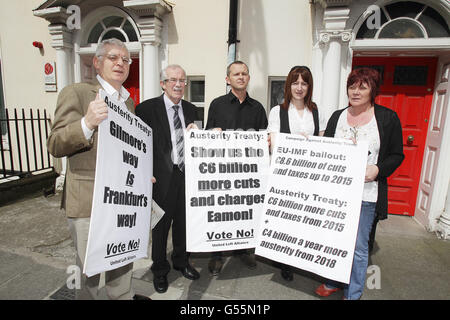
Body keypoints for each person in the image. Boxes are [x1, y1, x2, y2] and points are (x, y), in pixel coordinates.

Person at [47, 38, 150, 300]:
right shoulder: (77, 93)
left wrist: (139, 175)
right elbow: (55, 143)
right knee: (89, 274)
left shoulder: (128, 104)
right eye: (113, 57)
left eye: (126, 59)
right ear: (97, 62)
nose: (120, 63)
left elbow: (125, 153)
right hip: (87, 203)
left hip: (121, 202)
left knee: (122, 264)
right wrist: (86, 123)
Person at [315, 67, 404, 300]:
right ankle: (333, 280)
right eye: (352, 86)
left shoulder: (387, 118)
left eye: (362, 87)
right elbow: (326, 149)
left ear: (373, 90)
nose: (355, 92)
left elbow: (397, 154)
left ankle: (353, 292)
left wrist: (378, 169)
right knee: (333, 240)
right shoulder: (337, 116)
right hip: (336, 193)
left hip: (366, 194)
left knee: (358, 247)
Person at [135, 64, 201, 294]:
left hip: (187, 177)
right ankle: (160, 271)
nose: (178, 84)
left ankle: (182, 262)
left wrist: (198, 135)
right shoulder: (145, 109)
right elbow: (138, 145)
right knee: (161, 227)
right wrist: (143, 174)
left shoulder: (192, 110)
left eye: (182, 80)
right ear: (162, 84)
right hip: (160, 178)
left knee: (184, 223)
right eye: (173, 80)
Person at [205, 60, 268, 276]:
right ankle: (216, 255)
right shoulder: (217, 104)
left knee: (246, 211)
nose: (241, 77)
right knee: (221, 213)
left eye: (244, 74)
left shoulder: (258, 108)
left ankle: (244, 249)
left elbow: (264, 141)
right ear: (227, 79)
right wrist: (214, 132)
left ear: (248, 78)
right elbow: (207, 136)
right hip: (222, 171)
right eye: (236, 74)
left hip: (247, 173)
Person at [267, 65, 326, 281]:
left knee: (303, 217)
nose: (299, 87)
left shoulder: (317, 111)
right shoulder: (278, 111)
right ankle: (284, 261)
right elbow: (273, 142)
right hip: (285, 174)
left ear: (309, 86)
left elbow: (323, 141)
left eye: (304, 83)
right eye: (295, 82)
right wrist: (296, 141)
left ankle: (298, 256)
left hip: (309, 175)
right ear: (288, 85)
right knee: (285, 217)